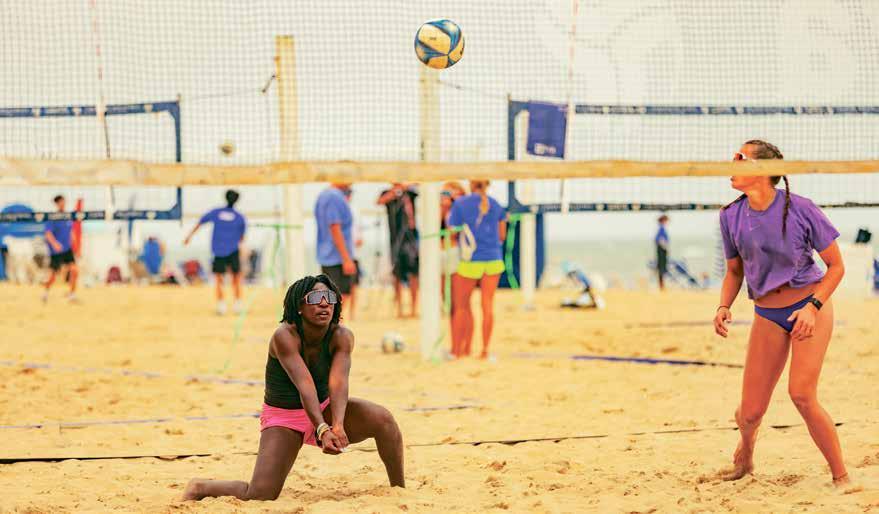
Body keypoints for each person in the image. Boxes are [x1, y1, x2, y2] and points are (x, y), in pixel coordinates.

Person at [182, 275, 404, 501]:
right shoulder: (284, 336)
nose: (324, 303)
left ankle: (399, 490)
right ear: (299, 307)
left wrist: (337, 425)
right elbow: (305, 386)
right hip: (285, 418)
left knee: (384, 420)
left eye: (329, 297)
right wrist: (322, 429)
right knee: (261, 494)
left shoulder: (342, 336)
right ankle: (200, 487)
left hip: (324, 407)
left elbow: (338, 383)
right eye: (315, 298)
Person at [712, 140, 849, 485]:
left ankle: (842, 477)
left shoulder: (801, 208)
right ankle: (745, 457)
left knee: (801, 394)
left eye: (740, 157)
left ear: (761, 170)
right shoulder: (730, 215)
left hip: (809, 306)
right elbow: (734, 271)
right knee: (750, 412)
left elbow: (836, 267)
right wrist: (724, 305)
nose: (731, 162)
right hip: (767, 313)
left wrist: (813, 308)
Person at [448, 180, 507, 359]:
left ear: (471, 184)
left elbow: (452, 233)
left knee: (461, 307)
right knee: (487, 306)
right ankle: (485, 350)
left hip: (470, 260)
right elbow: (502, 235)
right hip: (494, 259)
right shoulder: (496, 204)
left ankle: (458, 351)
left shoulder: (460, 204)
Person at [184, 190, 247, 315]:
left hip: (218, 251)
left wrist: (189, 237)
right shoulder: (240, 217)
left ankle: (221, 305)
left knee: (219, 279)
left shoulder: (216, 212)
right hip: (233, 250)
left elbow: (200, 222)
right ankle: (237, 304)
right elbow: (242, 238)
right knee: (236, 278)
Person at [315, 183, 358, 321]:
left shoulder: (323, 195)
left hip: (327, 254)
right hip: (336, 256)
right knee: (339, 297)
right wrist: (346, 259)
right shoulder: (334, 196)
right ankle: (333, 327)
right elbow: (335, 228)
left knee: (334, 298)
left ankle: (334, 325)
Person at [377, 183, 419, 318]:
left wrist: (405, 187)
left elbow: (419, 186)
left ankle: (413, 308)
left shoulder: (409, 193)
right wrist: (394, 192)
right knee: (397, 274)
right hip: (395, 239)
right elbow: (379, 201)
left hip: (411, 238)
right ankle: (399, 309)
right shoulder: (388, 192)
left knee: (414, 273)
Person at [42, 195, 79, 303]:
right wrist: (55, 244)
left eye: (63, 201)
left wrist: (75, 245)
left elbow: (71, 232)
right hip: (56, 251)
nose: (62, 203)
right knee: (53, 276)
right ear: (57, 204)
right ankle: (45, 293)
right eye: (60, 202)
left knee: (74, 270)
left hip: (67, 249)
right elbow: (48, 233)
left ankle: (72, 295)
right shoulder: (53, 217)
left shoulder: (68, 216)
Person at [655, 214, 670, 290]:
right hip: (661, 250)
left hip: (661, 249)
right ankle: (661, 285)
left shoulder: (661, 228)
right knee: (661, 267)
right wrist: (664, 247)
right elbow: (659, 239)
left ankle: (662, 285)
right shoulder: (661, 229)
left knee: (661, 267)